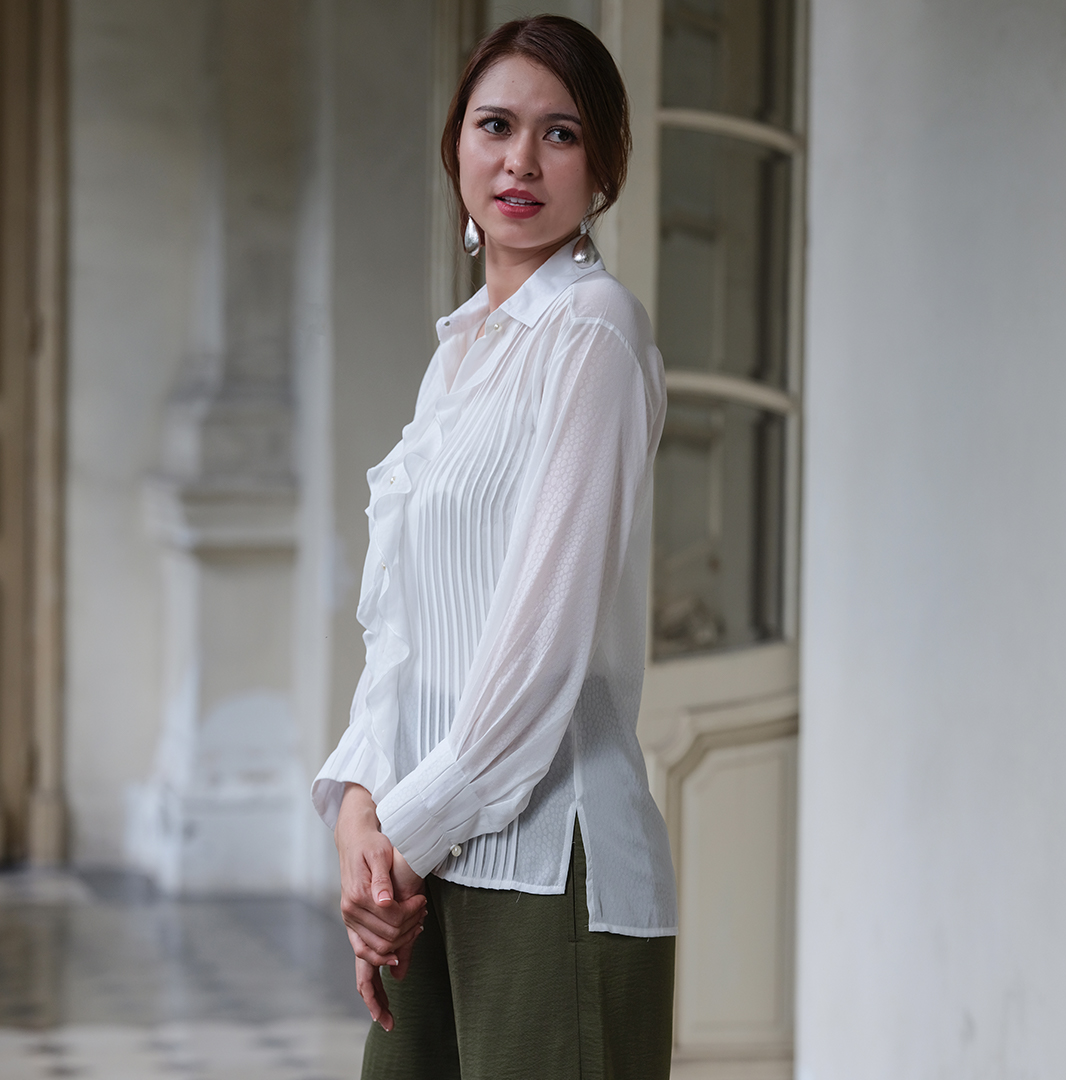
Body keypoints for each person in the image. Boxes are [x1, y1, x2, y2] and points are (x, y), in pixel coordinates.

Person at [311, 15, 677, 1079]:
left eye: (560, 134)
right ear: (457, 146)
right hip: (428, 860)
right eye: (496, 126)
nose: (520, 160)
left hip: (549, 866)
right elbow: (404, 630)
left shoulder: (595, 332)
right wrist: (361, 817)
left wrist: (398, 845)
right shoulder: (459, 356)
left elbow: (541, 652)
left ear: (603, 168)